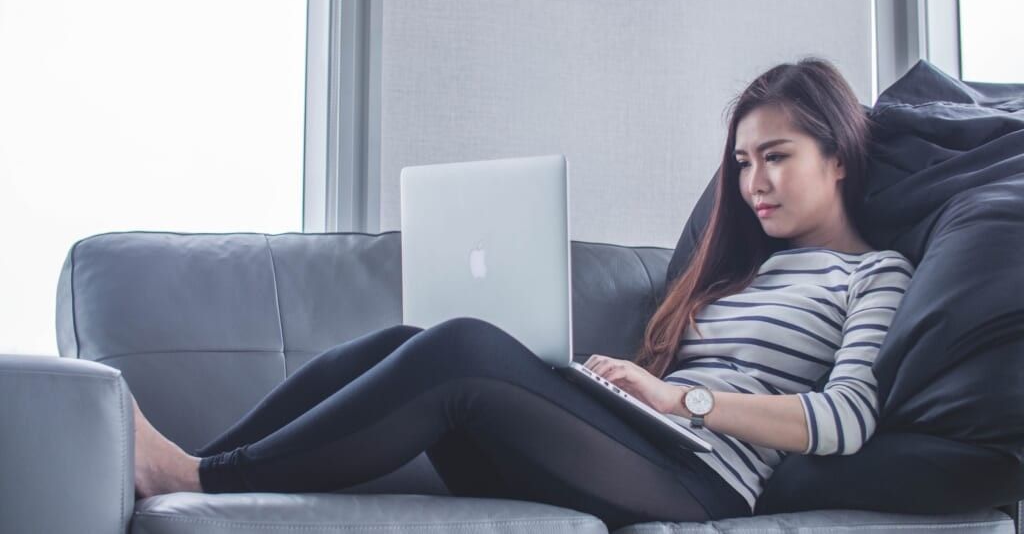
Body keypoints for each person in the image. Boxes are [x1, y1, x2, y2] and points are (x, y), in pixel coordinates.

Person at [131, 57, 915, 529]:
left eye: (774, 156)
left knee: (463, 348)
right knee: (413, 340)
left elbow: (846, 419)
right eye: (741, 163)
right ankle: (201, 465)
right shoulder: (744, 269)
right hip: (640, 445)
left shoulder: (874, 274)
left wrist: (683, 402)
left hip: (706, 483)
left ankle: (200, 479)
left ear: (839, 156)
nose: (752, 184)